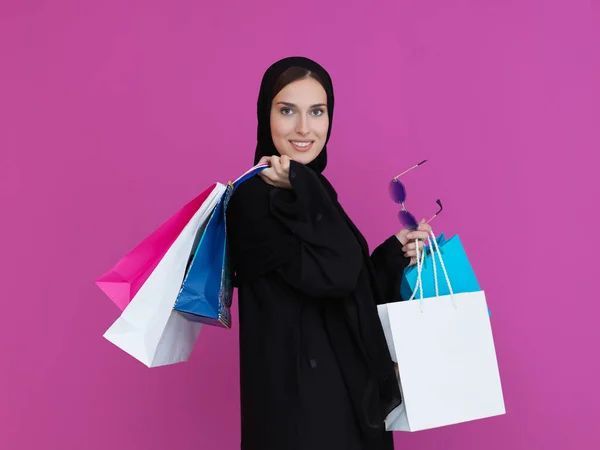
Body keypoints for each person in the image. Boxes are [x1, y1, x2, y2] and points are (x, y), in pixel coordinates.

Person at [226, 56, 432, 450]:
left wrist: (395, 254)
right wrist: (305, 186)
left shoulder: (311, 191)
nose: (304, 128)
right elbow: (333, 276)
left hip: (341, 397)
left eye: (316, 112)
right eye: (287, 111)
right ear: (264, 115)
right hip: (298, 413)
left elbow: (350, 281)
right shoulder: (253, 199)